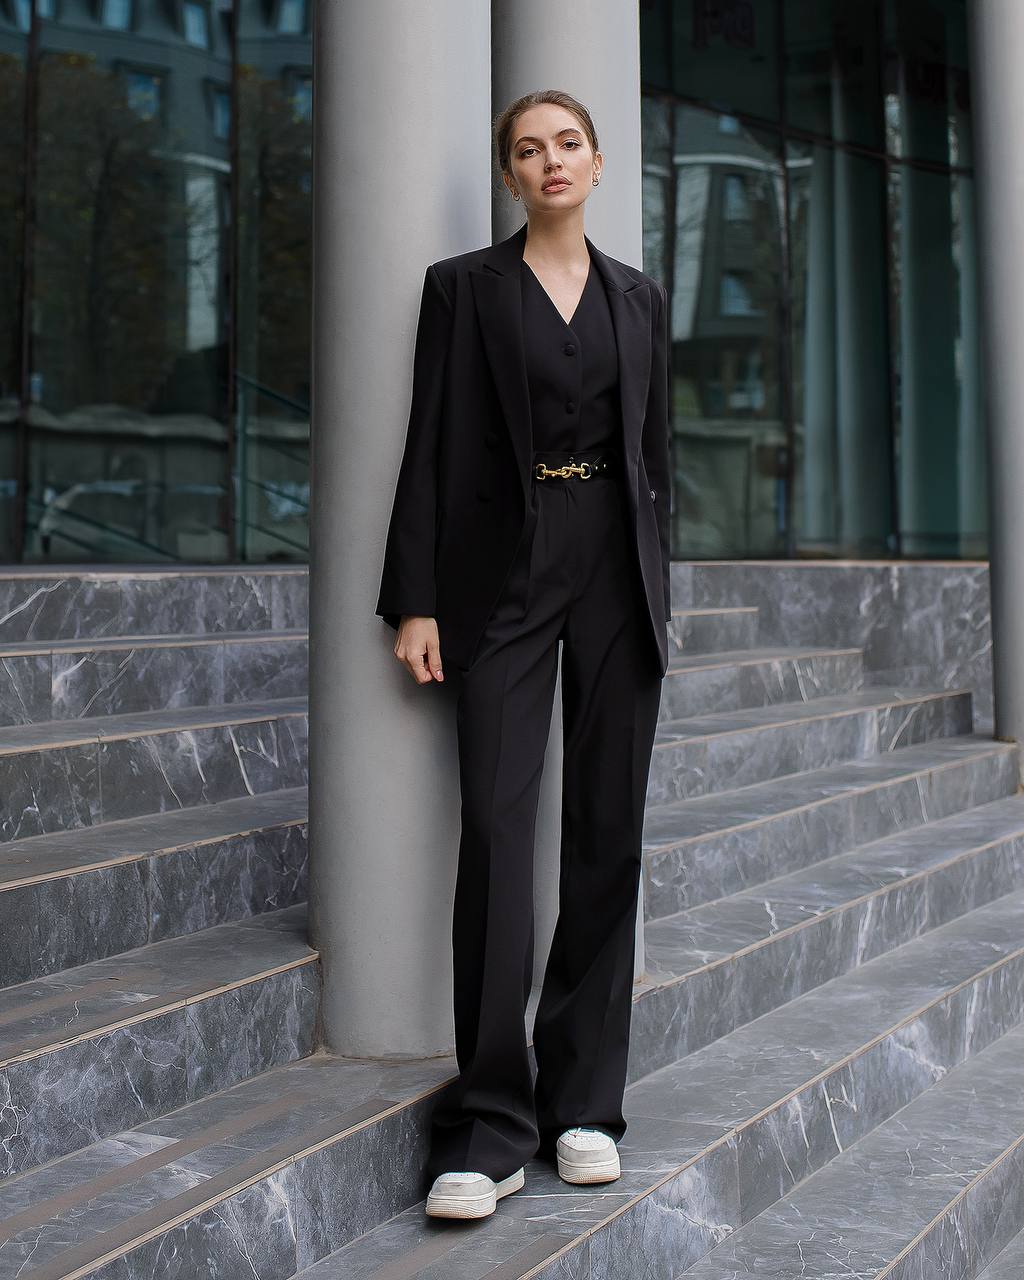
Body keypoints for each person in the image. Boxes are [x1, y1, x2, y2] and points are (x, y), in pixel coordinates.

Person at [375, 88, 671, 1222]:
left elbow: (655, 467)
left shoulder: (639, 301)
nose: (548, 162)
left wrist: (658, 590)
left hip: (615, 571)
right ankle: (489, 1124)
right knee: (498, 833)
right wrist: (414, 600)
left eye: (565, 145)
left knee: (608, 831)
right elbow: (429, 443)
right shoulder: (464, 289)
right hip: (498, 575)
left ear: (596, 163)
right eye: (525, 150)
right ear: (509, 174)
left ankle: (585, 1106)